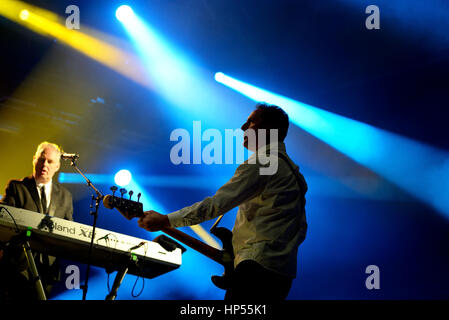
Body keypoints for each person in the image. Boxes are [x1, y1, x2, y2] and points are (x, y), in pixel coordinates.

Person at [138, 103, 308, 300]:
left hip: (255, 270)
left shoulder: (263, 162)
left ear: (268, 129)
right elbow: (301, 229)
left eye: (251, 121)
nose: (243, 127)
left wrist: (166, 220)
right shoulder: (295, 173)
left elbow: (215, 205)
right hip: (282, 275)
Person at [0, 141, 74, 300]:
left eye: (50, 161)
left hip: (48, 270)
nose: (44, 164)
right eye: (41, 159)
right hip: (17, 267)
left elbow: (70, 232)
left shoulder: (65, 196)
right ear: (34, 159)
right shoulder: (16, 187)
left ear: (58, 166)